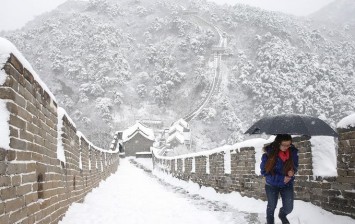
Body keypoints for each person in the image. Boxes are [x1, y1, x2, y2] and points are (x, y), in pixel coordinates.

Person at [260, 134, 299, 224]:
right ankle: (270, 222)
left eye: (289, 145)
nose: (286, 147)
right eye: (284, 145)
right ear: (278, 143)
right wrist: (281, 178)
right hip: (272, 185)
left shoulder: (293, 153)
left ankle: (282, 214)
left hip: (287, 184)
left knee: (289, 208)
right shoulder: (268, 154)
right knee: (272, 206)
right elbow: (264, 172)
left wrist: (292, 172)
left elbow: (295, 166)